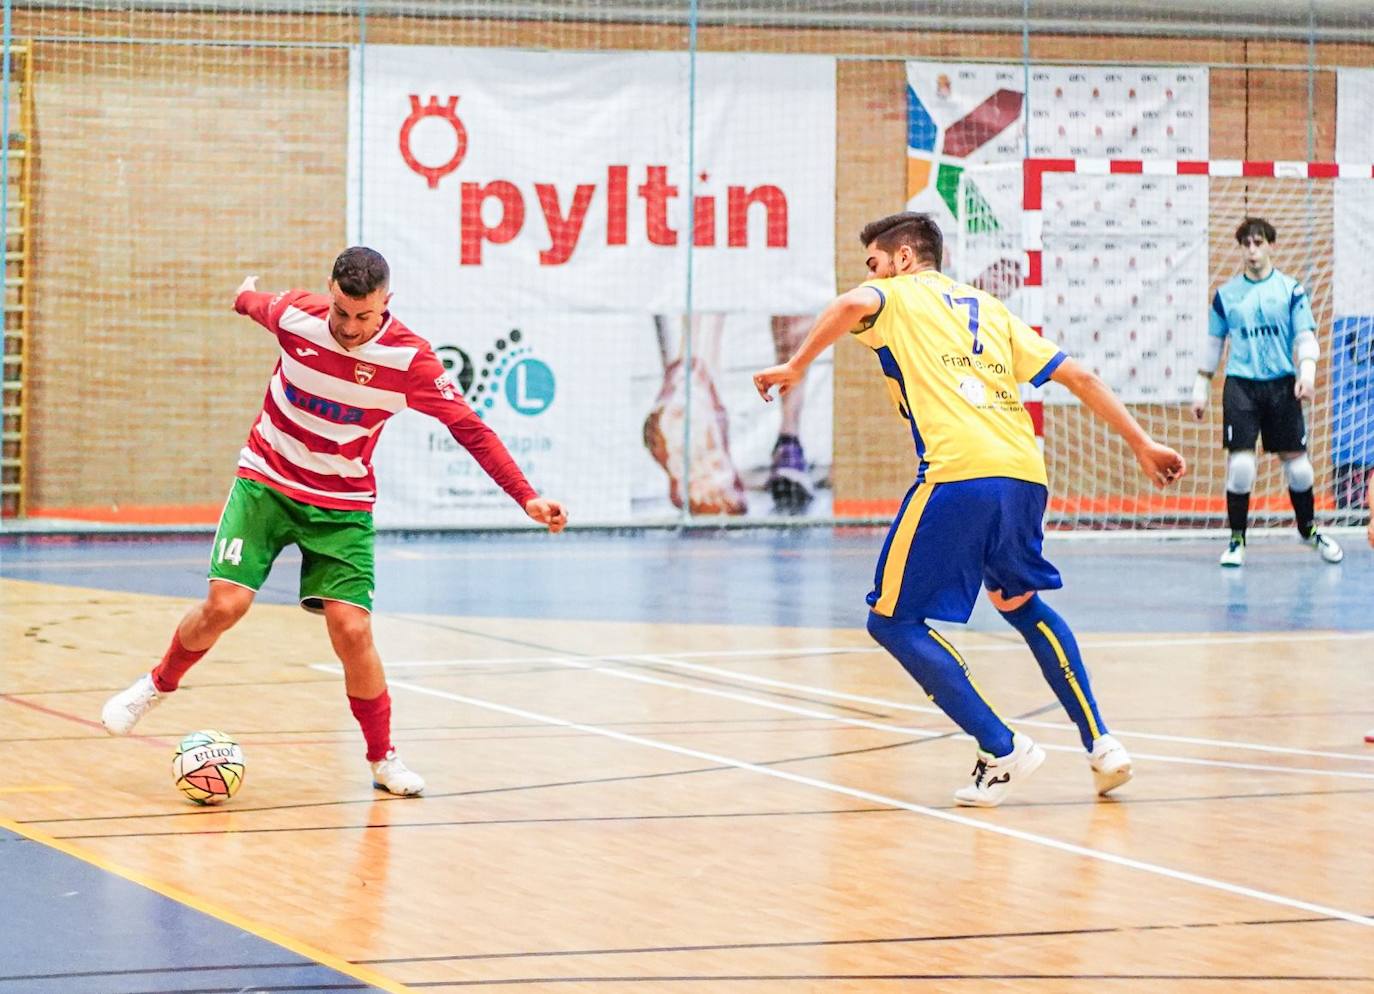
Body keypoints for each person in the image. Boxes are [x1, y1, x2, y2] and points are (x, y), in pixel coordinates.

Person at [753, 211, 1186, 807]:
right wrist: (1141, 441)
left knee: (892, 621)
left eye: (875, 262)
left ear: (904, 258)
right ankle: (1103, 744)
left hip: (959, 473)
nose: (871, 274)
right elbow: (1079, 375)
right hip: (1024, 475)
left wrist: (796, 365)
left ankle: (1001, 746)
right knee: (1016, 600)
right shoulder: (989, 307)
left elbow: (852, 304)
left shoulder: (897, 294)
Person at [101, 247, 567, 795]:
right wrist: (243, 295)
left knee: (352, 629)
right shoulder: (297, 314)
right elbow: (251, 302)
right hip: (266, 483)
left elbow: (472, 430)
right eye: (341, 312)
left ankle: (383, 758)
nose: (349, 327)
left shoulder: (410, 361)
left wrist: (526, 498)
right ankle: (155, 686)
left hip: (341, 505)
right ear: (330, 292)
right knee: (226, 605)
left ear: (386, 304)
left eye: (363, 316)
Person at [1191, 217, 1342, 568]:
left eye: (1259, 242)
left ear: (1271, 245)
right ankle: (1237, 539)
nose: (1253, 250)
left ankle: (1308, 530)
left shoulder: (1290, 290)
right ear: (1241, 248)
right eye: (1247, 244)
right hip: (1241, 386)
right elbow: (1214, 344)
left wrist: (1307, 373)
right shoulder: (1226, 296)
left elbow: (1305, 337)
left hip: (1281, 385)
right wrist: (1201, 388)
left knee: (1300, 469)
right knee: (1241, 467)